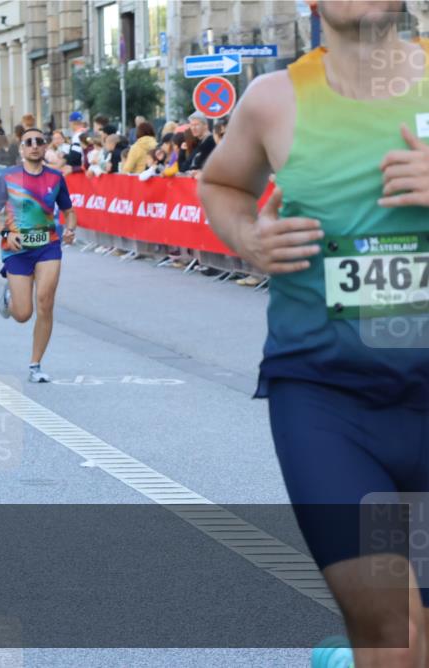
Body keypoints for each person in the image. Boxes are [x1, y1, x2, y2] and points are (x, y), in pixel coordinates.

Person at [198, 3, 429, 665]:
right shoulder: (273, 100)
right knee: (397, 637)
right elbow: (221, 184)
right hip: (328, 401)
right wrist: (250, 237)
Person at [0, 127, 77, 383]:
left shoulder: (56, 177)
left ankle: (35, 365)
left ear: (46, 146)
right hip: (17, 249)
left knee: (45, 301)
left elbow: (69, 211)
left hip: (48, 246)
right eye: (29, 142)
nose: (34, 145)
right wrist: (6, 233)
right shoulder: (8, 177)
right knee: (23, 314)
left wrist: (70, 229)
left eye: (39, 141)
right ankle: (10, 297)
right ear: (22, 148)